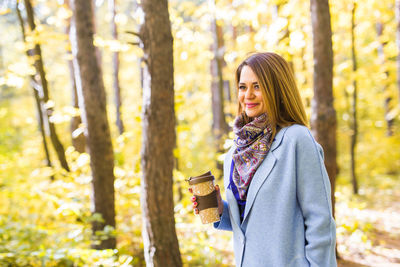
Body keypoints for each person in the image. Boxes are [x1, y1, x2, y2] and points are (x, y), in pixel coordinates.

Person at [189, 52, 337, 267]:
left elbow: (320, 222)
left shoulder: (296, 140)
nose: (248, 95)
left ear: (277, 90)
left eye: (257, 86)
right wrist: (221, 209)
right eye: (243, 87)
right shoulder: (235, 153)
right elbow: (253, 222)